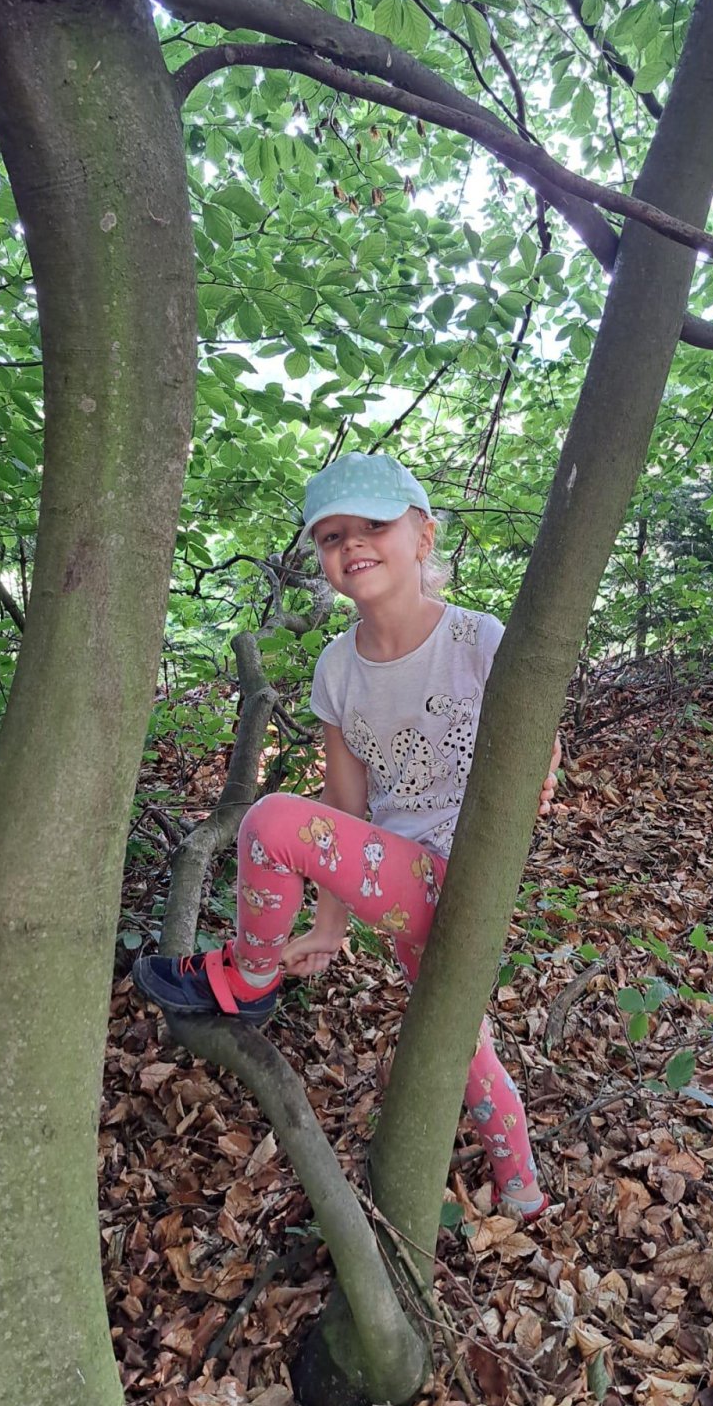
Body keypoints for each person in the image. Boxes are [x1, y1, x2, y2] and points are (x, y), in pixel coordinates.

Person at [133, 452, 561, 1218]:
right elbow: (346, 807)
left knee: (271, 819)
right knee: (461, 1040)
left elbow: (538, 731)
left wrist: (545, 769)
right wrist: (329, 929)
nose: (352, 543)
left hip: (469, 882)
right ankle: (522, 1188)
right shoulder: (338, 668)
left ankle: (249, 980)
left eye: (373, 525)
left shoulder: (478, 640)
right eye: (332, 536)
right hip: (396, 887)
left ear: (423, 537)